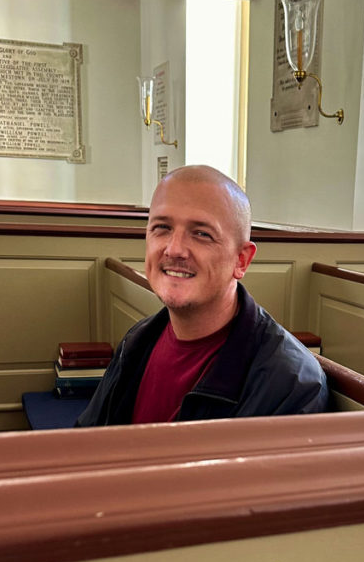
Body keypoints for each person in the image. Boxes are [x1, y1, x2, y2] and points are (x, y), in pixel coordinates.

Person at [77, 165, 329, 426]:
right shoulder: (138, 339)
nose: (174, 250)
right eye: (162, 227)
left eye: (201, 234)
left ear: (241, 260)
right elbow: (86, 440)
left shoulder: (289, 383)